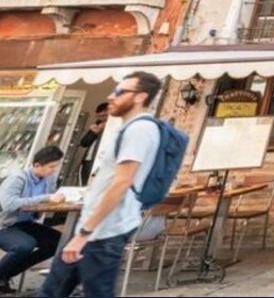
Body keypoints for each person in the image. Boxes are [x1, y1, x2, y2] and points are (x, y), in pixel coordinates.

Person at [38, 72, 163, 298]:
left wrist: (84, 233)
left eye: (120, 92)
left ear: (140, 97)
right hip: (97, 229)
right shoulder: (129, 128)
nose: (111, 96)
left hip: (104, 232)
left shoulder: (139, 130)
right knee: (53, 291)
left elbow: (121, 183)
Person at [0, 147, 65, 295]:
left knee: (57, 242)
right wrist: (45, 198)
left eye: (56, 166)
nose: (54, 170)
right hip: (5, 225)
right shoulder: (17, 179)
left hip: (25, 224)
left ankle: (5, 274)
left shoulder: (48, 180)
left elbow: (45, 201)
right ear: (37, 165)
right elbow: (9, 204)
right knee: (25, 245)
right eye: (51, 167)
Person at [76, 104, 109, 185]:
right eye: (99, 116)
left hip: (100, 161)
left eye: (104, 116)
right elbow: (84, 143)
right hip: (88, 159)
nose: (101, 119)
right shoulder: (97, 124)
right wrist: (93, 133)